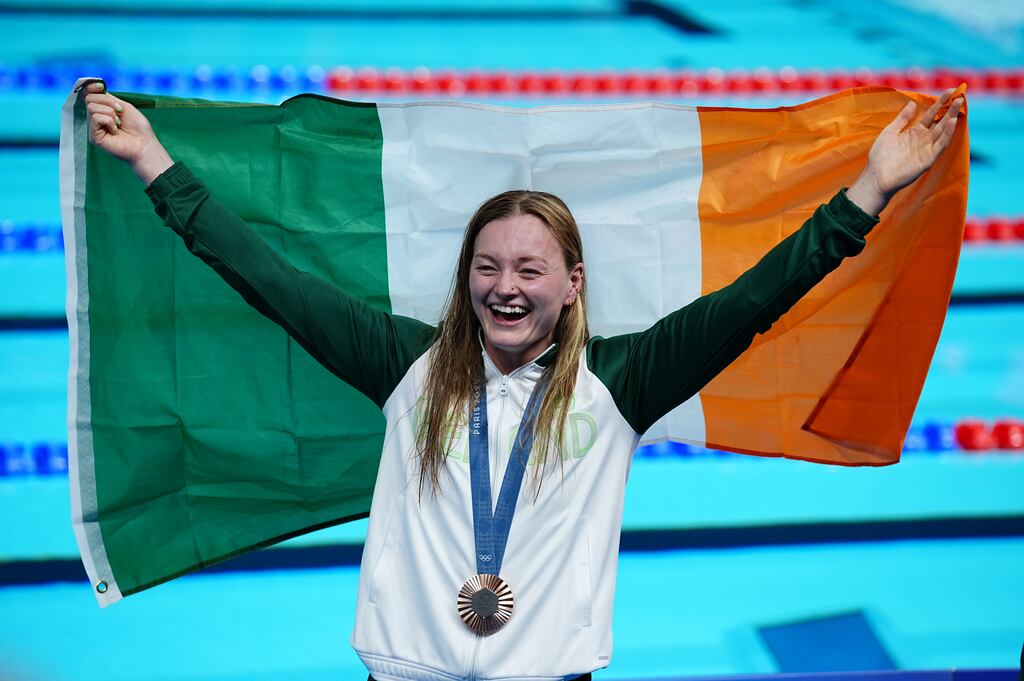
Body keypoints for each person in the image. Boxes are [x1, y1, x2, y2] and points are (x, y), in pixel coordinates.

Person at [82, 81, 962, 681]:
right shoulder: (406, 365)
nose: (506, 285)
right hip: (404, 669)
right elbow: (266, 276)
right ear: (465, 275)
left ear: (573, 282)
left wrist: (869, 190)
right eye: (488, 265)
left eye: (531, 268)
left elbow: (759, 297)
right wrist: (154, 165)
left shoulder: (623, 379)